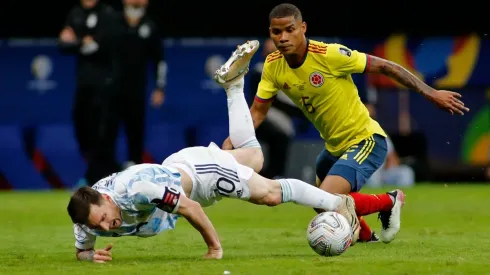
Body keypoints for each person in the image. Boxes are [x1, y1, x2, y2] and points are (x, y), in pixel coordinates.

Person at [67, 42, 370, 263]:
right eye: (99, 225)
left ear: (106, 199)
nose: (107, 226)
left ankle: (336, 203)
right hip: (179, 167)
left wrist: (214, 249)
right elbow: (81, 250)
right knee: (254, 157)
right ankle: (234, 86)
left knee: (271, 194)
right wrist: (90, 256)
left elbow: (190, 209)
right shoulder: (86, 215)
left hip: (201, 177)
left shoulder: (137, 190)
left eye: (104, 219)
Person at [220, 3, 469, 244]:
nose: (283, 37)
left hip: (366, 140)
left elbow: (385, 66)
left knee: (327, 197)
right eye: (277, 31)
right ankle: (365, 237)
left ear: (303, 28)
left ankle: (389, 201)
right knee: (319, 202)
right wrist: (233, 140)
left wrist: (430, 93)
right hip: (333, 147)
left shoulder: (330, 55)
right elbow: (257, 112)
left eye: (290, 29)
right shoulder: (273, 66)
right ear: (270, 33)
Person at [59, 0, 122, 186]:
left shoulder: (107, 14)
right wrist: (82, 41)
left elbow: (98, 46)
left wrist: (75, 40)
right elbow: (62, 44)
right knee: (82, 130)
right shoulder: (75, 13)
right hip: (83, 84)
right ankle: (99, 173)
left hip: (105, 84)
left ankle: (101, 178)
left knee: (102, 134)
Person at [115, 0, 167, 167]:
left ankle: (134, 171)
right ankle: (103, 173)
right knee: (105, 134)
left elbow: (159, 61)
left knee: (135, 133)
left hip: (136, 91)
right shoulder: (113, 23)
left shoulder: (150, 27)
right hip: (110, 90)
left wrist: (160, 88)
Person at [248, 38, 306, 179]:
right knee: (279, 137)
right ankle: (266, 177)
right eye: (268, 51)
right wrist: (297, 111)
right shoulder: (259, 70)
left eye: (275, 51)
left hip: (285, 120)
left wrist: (303, 112)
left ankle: (274, 176)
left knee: (282, 138)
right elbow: (267, 99)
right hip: (264, 116)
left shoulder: (293, 71)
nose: (271, 54)